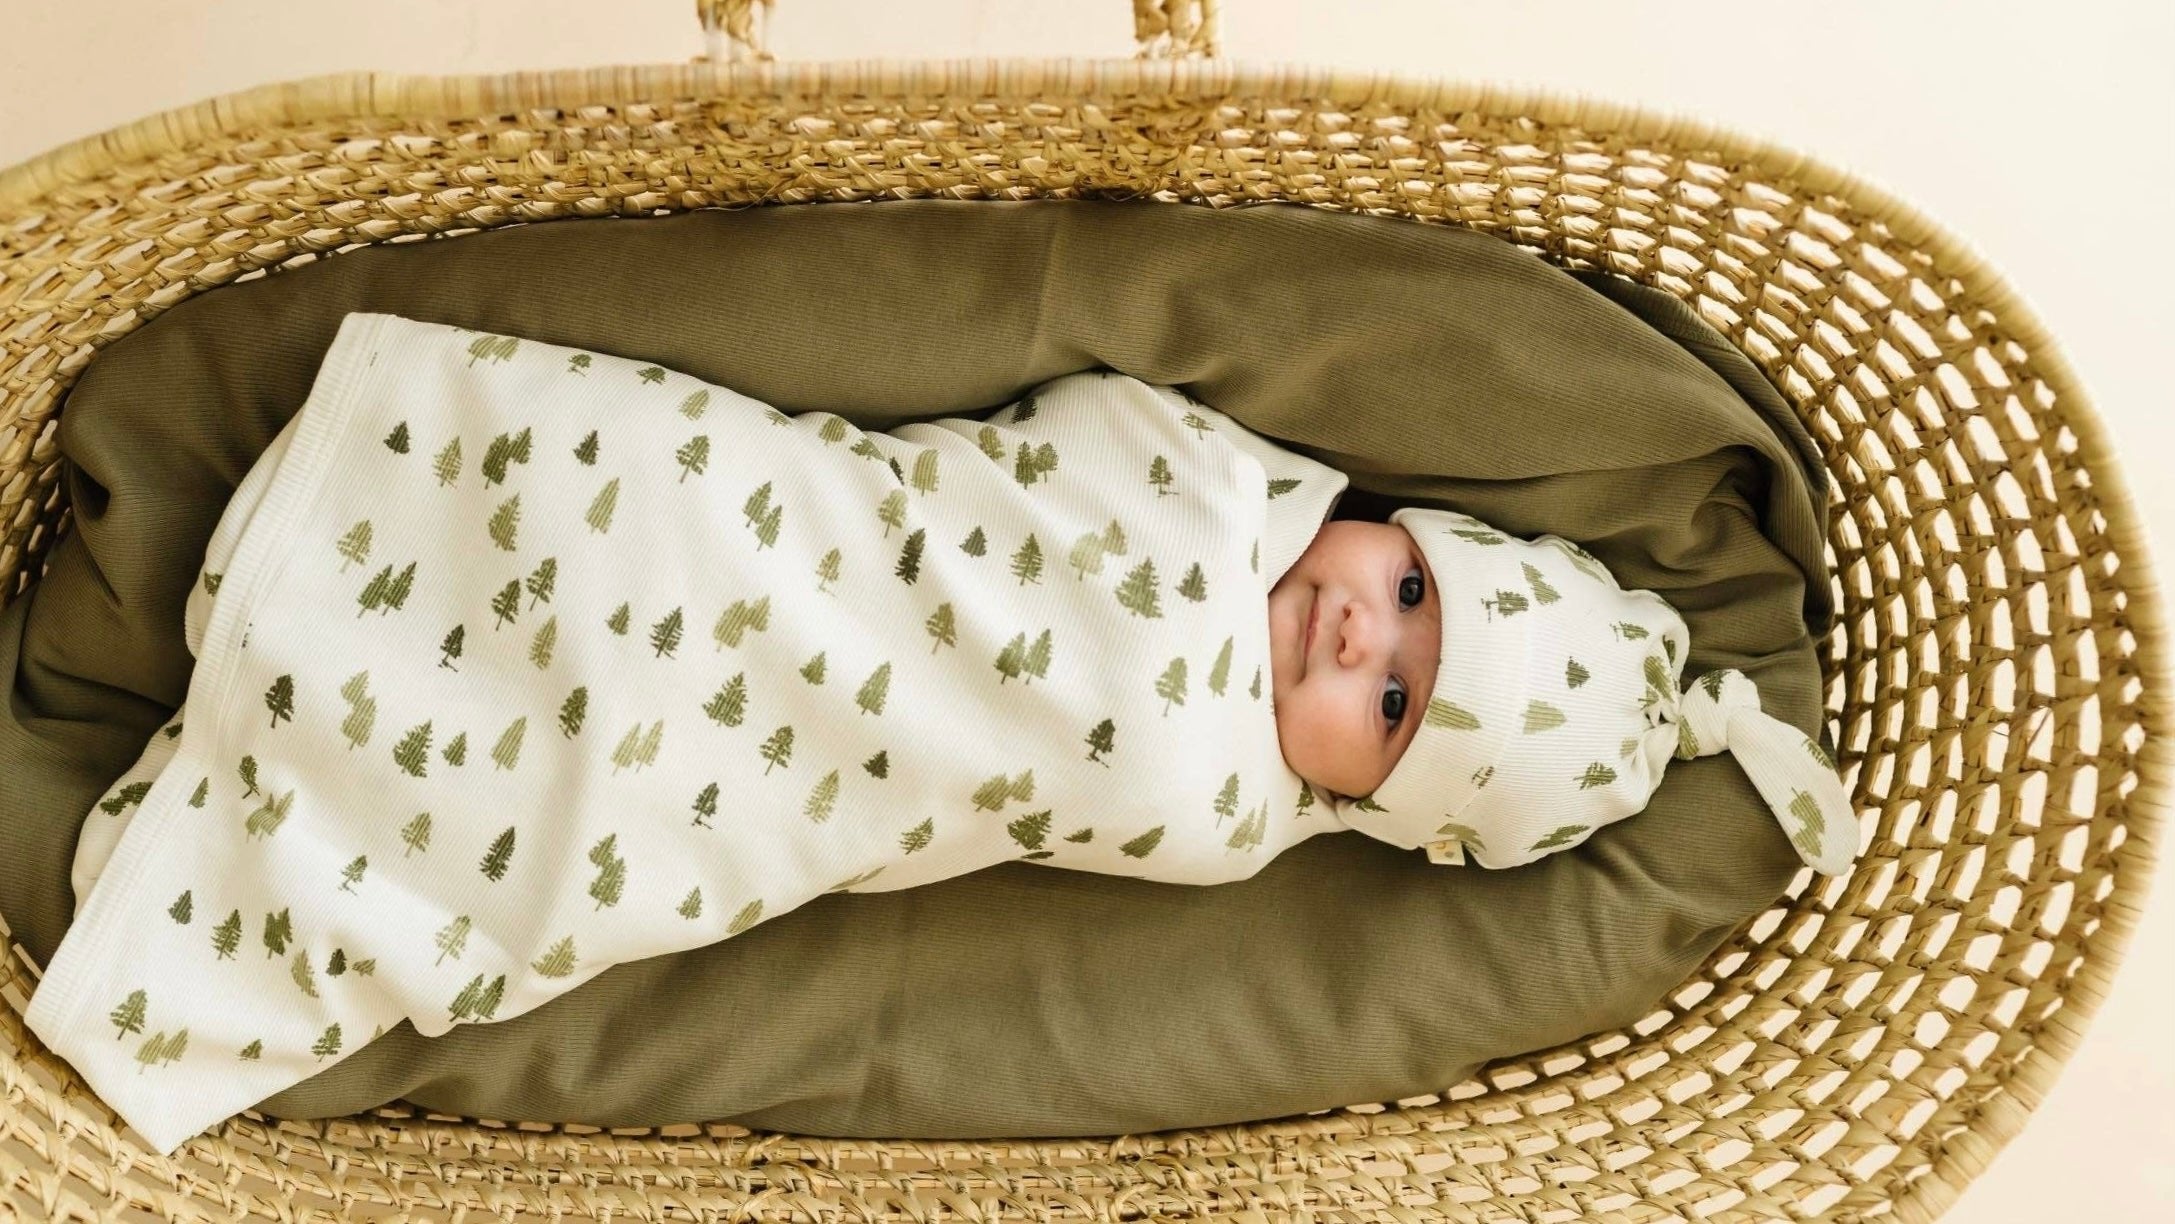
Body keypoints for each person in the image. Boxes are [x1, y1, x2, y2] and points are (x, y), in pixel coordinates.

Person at [28, 313, 1853, 1154]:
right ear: (1396, 526)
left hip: (793, 766)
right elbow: (1079, 445)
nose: (1361, 634)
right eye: (1413, 592)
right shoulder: (1229, 490)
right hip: (766, 538)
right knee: (643, 497)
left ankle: (313, 760)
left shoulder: (1220, 808)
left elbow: (1003, 754)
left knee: (578, 821)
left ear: (1370, 806)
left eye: (1389, 706)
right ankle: (360, 578)